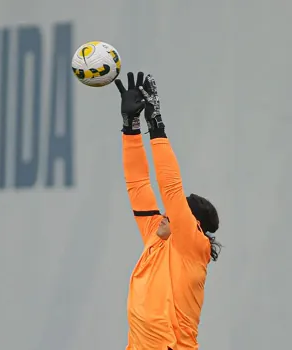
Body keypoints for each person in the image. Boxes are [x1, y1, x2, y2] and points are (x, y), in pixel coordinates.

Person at [114, 72, 222, 350]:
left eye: (174, 213)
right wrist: (131, 126)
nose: (164, 213)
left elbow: (170, 188)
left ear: (193, 224)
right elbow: (138, 184)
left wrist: (156, 123)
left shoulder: (191, 245)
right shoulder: (158, 235)